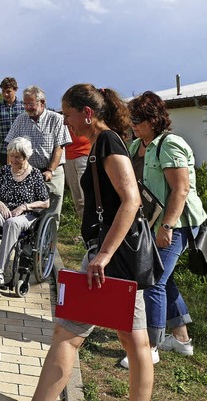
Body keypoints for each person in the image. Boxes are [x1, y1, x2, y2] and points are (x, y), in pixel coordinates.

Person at [33, 84, 153, 401]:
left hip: (112, 257)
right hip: (109, 254)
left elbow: (131, 201)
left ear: (87, 113)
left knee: (72, 333)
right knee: (130, 338)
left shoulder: (108, 142)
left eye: (68, 115)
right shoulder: (102, 141)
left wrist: (103, 254)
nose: (66, 122)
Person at [118, 91, 207, 368]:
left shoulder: (169, 144)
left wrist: (166, 226)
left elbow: (180, 190)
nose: (133, 124)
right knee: (164, 279)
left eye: (138, 119)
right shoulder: (136, 146)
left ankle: (150, 347)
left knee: (153, 280)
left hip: (177, 223)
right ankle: (182, 341)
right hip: (153, 223)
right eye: (131, 119)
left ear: (154, 120)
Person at [0, 137, 49, 285]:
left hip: (25, 214)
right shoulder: (5, 170)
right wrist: (0, 204)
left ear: (26, 157)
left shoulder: (35, 174)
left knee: (12, 223)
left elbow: (45, 202)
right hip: (4, 209)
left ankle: (0, 271)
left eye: (17, 157)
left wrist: (24, 206)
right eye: (11, 156)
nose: (13, 159)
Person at [4, 85, 71, 225]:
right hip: (27, 171)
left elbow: (59, 148)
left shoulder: (56, 119)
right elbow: (11, 146)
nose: (27, 107)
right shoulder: (21, 119)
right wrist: (9, 170)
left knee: (51, 210)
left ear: (42, 102)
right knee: (26, 209)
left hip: (51, 170)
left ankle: (50, 244)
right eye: (25, 104)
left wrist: (50, 170)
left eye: (31, 104)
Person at [0, 77, 25, 165]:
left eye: (8, 91)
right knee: (6, 178)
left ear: (15, 89)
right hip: (4, 152)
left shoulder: (24, 107)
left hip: (22, 151)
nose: (5, 94)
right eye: (3, 91)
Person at [64, 130, 91, 220]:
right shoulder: (62, 117)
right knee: (77, 196)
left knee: (87, 194)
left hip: (84, 153)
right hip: (68, 156)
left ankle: (93, 224)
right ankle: (84, 224)